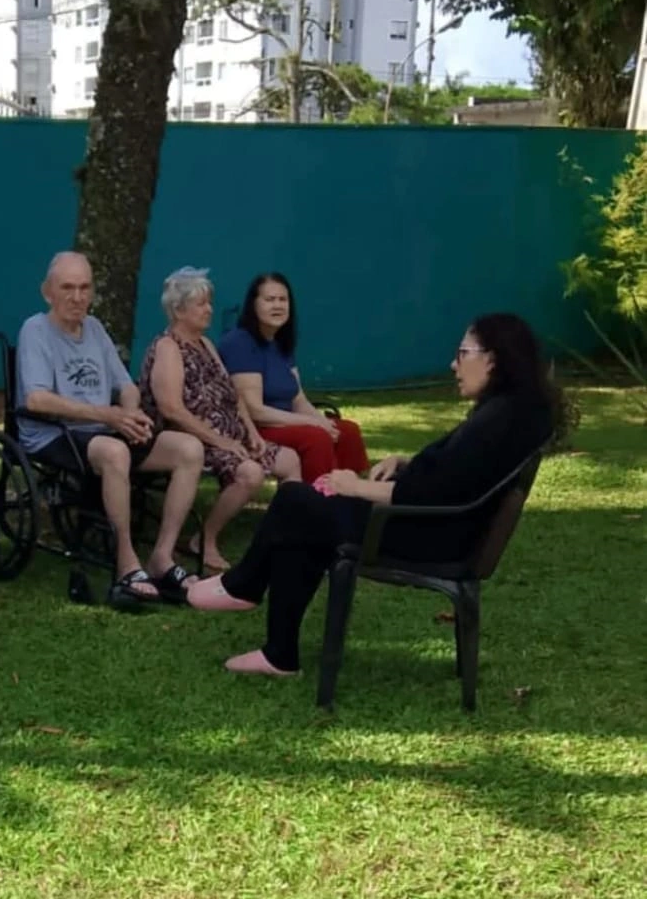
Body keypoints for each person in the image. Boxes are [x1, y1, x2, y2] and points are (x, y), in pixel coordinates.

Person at [188, 313, 559, 677]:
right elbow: (455, 475)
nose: (453, 364)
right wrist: (404, 462)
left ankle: (245, 588)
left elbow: (427, 494)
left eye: (463, 353)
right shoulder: (510, 412)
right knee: (303, 515)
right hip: (440, 528)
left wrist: (354, 486)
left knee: (295, 501)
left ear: (492, 359)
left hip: (426, 534)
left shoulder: (497, 420)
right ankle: (276, 650)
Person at [15, 251, 205, 605]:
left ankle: (162, 557)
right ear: (47, 292)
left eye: (84, 287)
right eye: (67, 288)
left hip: (102, 429)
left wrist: (130, 415)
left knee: (188, 450)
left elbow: (127, 386)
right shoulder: (35, 330)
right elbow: (37, 399)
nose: (77, 297)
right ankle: (126, 563)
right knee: (115, 452)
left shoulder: (95, 328)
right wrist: (107, 415)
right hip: (53, 433)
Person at [139, 266, 301, 574]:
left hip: (229, 435)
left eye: (209, 303)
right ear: (178, 310)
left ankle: (281, 537)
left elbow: (234, 395)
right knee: (250, 473)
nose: (209, 310)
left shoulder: (206, 345)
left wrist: (252, 433)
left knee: (290, 460)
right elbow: (171, 409)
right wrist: (221, 441)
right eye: (201, 304)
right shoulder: (168, 348)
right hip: (192, 438)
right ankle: (205, 539)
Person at [219, 273, 370, 484]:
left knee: (346, 431)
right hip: (254, 429)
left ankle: (352, 492)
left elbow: (298, 400)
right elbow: (255, 410)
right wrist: (313, 424)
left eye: (283, 299)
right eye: (269, 299)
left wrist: (322, 421)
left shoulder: (280, 342)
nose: (278, 306)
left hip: (286, 423)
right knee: (315, 437)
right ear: (253, 305)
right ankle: (315, 497)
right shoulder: (240, 343)